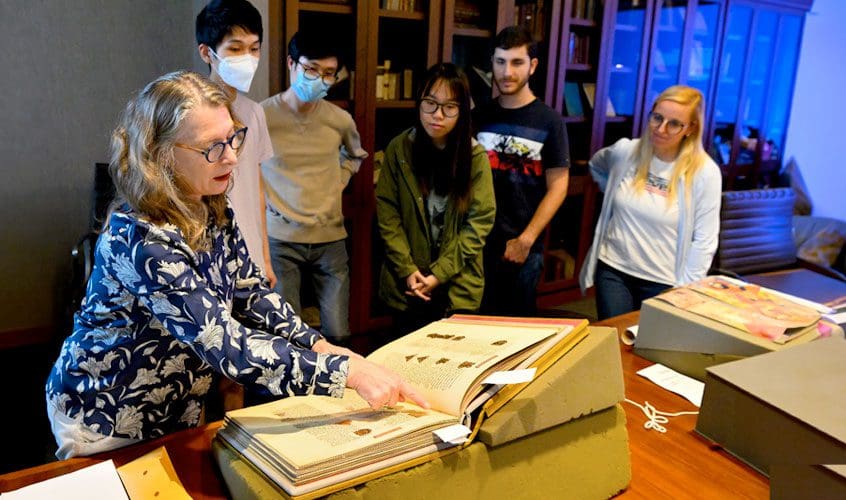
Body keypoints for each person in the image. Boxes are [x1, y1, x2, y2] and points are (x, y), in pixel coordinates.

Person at [44, 71, 426, 459]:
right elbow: (225, 342)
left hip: (174, 406)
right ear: (161, 154)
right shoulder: (142, 239)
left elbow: (251, 293)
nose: (230, 156)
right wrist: (346, 373)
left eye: (233, 138)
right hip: (106, 411)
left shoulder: (211, 204)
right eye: (212, 146)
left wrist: (320, 344)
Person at [578, 85, 722, 320]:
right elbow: (597, 165)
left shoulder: (704, 172)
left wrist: (684, 290)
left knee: (649, 350)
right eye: (657, 118)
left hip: (664, 282)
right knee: (615, 342)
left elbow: (705, 240)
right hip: (614, 270)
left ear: (691, 129)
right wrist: (612, 191)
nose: (661, 129)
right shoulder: (626, 151)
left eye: (674, 124)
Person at [261, 31, 367, 346]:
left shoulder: (340, 120)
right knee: (287, 333)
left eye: (328, 74)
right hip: (281, 239)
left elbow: (355, 155)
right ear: (292, 64)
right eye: (311, 69)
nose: (319, 79)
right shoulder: (262, 116)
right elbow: (243, 165)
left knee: (338, 331)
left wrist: (339, 181)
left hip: (330, 238)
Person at [375, 63, 495, 335]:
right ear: (419, 103)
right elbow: (387, 213)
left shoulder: (475, 157)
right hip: (407, 283)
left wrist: (439, 273)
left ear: (462, 111)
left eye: (450, 107)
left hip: (457, 284)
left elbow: (479, 224)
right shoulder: (400, 148)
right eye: (430, 103)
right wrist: (407, 269)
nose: (437, 115)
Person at [475, 26, 570, 317]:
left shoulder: (549, 121)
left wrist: (526, 239)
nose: (507, 72)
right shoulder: (479, 116)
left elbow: (559, 185)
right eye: (500, 61)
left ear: (533, 66)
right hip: (476, 243)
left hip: (522, 246)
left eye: (517, 62)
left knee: (516, 331)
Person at [196, 0, 276, 288]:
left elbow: (256, 191)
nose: (248, 57)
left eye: (254, 48)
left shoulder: (254, 112)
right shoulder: (188, 112)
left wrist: (265, 259)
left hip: (249, 252)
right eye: (235, 48)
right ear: (207, 52)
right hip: (206, 251)